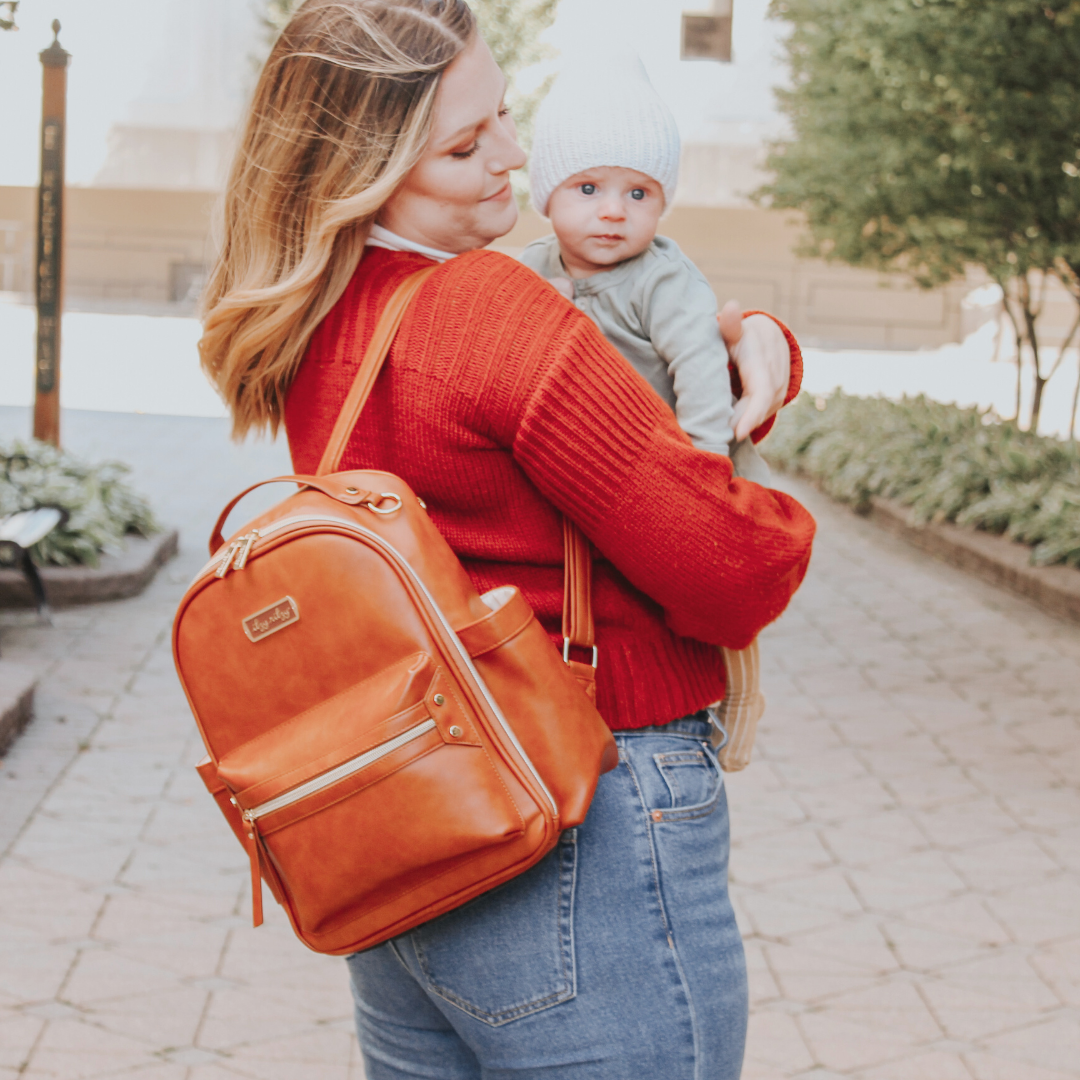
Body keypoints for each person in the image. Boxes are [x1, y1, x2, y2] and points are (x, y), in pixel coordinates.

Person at [198, 2, 815, 1077]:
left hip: (411, 830)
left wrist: (750, 340)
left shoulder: (313, 312)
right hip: (583, 820)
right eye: (464, 143)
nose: (514, 157)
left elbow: (606, 371)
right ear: (370, 163)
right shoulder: (490, 308)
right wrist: (783, 480)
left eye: (504, 117)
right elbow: (733, 569)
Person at [521, 56, 769, 772]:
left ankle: (738, 682)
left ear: (662, 205)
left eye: (639, 192)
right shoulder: (529, 269)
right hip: (599, 468)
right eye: (588, 187)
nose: (611, 210)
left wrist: (704, 466)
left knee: (710, 588)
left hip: (685, 455)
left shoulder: (662, 276)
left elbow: (698, 367)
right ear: (547, 194)